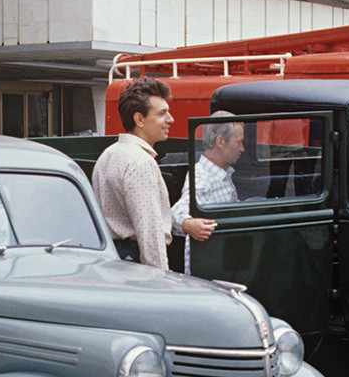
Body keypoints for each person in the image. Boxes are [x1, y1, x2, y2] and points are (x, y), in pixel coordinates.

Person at [92, 77, 175, 269]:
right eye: (162, 113)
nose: (170, 119)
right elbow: (150, 233)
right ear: (139, 119)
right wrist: (161, 281)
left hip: (112, 259)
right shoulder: (141, 162)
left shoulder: (108, 154)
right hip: (135, 261)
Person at [170, 113, 245, 274]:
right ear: (220, 142)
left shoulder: (222, 174)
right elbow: (177, 211)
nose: (242, 148)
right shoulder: (202, 176)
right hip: (209, 269)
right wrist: (188, 224)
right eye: (238, 142)